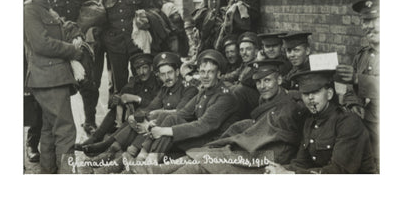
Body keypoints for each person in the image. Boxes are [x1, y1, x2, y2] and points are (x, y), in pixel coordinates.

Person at [128, 58, 302, 174]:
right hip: (245, 148)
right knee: (196, 157)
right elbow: (183, 113)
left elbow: (283, 143)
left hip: (261, 157)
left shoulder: (286, 107)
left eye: (267, 80)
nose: (262, 86)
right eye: (258, 82)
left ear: (279, 81)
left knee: (200, 164)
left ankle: (150, 172)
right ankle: (150, 169)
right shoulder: (269, 101)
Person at [89, 52, 199, 173]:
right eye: (163, 74)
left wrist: (151, 118)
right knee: (143, 119)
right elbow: (151, 108)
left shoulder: (189, 89)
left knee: (155, 121)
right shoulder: (165, 89)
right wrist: (135, 117)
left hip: (175, 134)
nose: (167, 77)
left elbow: (179, 113)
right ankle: (113, 153)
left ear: (177, 72)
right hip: (159, 130)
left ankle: (121, 160)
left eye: (170, 73)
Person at [24, 0, 83, 173]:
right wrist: (72, 51)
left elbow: (59, 33)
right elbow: (42, 44)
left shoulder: (46, 10)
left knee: (49, 129)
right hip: (49, 78)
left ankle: (49, 173)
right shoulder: (30, 11)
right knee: (66, 130)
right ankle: (67, 174)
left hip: (50, 77)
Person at [138, 49, 240, 164]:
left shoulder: (225, 97)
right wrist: (156, 123)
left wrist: (163, 130)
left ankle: (150, 159)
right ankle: (147, 154)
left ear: (219, 74)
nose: (205, 76)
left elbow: (203, 125)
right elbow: (183, 113)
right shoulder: (204, 92)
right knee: (171, 118)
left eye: (210, 72)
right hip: (201, 137)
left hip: (214, 144)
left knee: (171, 124)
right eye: (202, 72)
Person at [265, 70, 376, 174]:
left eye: (315, 92)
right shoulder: (310, 120)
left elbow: (339, 171)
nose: (310, 98)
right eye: (305, 94)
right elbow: (301, 162)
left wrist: (292, 174)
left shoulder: (348, 122)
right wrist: (281, 169)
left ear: (329, 94)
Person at [51, 0, 100, 136]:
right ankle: (34, 140)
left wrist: (81, 27)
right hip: (54, 45)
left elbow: (96, 9)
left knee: (89, 85)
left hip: (77, 43)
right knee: (51, 91)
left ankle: (89, 121)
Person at [75, 52, 160, 154]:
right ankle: (95, 138)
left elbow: (155, 105)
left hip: (147, 118)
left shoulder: (157, 83)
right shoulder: (135, 81)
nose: (142, 72)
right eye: (138, 69)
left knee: (136, 114)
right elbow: (120, 95)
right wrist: (117, 99)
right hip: (131, 116)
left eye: (145, 68)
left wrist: (137, 98)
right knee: (116, 109)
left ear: (151, 68)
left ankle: (105, 144)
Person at [336, 0, 380, 172]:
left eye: (376, 20)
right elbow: (348, 89)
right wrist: (353, 102)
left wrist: (357, 79)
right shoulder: (362, 55)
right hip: (364, 132)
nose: (370, 26)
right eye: (365, 21)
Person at [100, 0, 153, 94]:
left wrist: (144, 22)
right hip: (116, 47)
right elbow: (101, 22)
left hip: (135, 45)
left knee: (141, 79)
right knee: (119, 84)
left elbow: (152, 13)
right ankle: (120, 113)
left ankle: (141, 109)